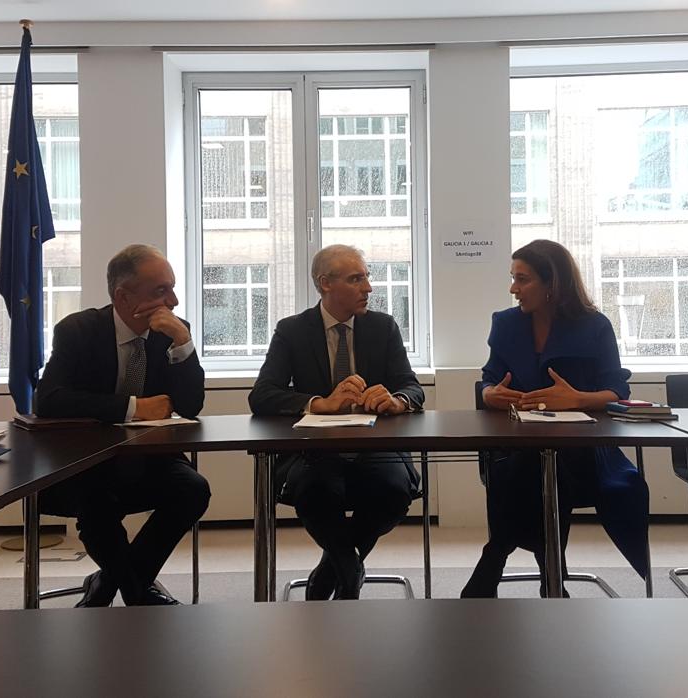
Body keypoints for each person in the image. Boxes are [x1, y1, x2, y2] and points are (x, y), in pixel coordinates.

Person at [461, 239, 649, 598]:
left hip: (585, 450)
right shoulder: (505, 324)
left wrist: (578, 398)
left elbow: (617, 390)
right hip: (519, 444)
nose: (512, 288)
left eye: (523, 279)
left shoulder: (595, 326)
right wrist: (490, 394)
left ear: (553, 284)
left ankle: (496, 554)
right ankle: (551, 577)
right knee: (537, 462)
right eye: (512, 278)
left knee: (545, 465)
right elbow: (489, 378)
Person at [35, 244, 209, 606]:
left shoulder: (172, 332)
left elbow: (191, 406)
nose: (173, 300)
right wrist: (132, 407)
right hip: (87, 462)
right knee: (96, 503)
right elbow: (48, 400)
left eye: (173, 288)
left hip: (152, 459)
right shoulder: (79, 330)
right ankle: (137, 593)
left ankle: (109, 582)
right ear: (122, 296)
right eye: (160, 290)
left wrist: (183, 342)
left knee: (193, 489)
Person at [249, 244, 424, 600]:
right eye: (356, 279)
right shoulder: (292, 331)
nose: (369, 288)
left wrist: (397, 400)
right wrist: (318, 403)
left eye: (367, 277)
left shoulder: (383, 327)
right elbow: (262, 395)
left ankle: (333, 571)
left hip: (376, 449)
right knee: (316, 492)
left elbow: (413, 387)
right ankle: (348, 570)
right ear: (325, 283)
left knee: (393, 491)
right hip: (314, 452)